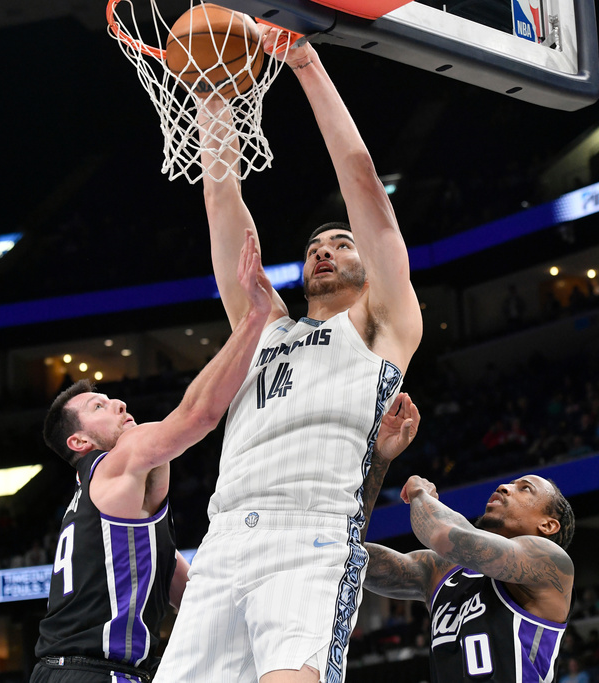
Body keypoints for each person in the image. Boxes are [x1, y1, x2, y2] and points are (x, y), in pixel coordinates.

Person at [155, 27, 423, 683]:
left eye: (340, 243)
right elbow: (222, 200)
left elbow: (367, 194)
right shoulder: (262, 324)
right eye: (313, 247)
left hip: (311, 536)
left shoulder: (383, 322)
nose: (323, 250)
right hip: (223, 540)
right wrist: (210, 88)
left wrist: (304, 63)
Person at [31, 232, 275, 683]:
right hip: (92, 673)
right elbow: (198, 415)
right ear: (80, 443)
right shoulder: (114, 466)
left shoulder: (119, 508)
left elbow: (192, 594)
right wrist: (254, 319)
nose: (119, 404)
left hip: (82, 672)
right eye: (99, 407)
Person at [363, 474, 575, 682]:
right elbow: (358, 562)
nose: (503, 486)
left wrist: (419, 493)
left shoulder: (550, 563)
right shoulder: (443, 571)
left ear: (548, 525)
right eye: (510, 483)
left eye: (525, 488)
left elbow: (443, 534)